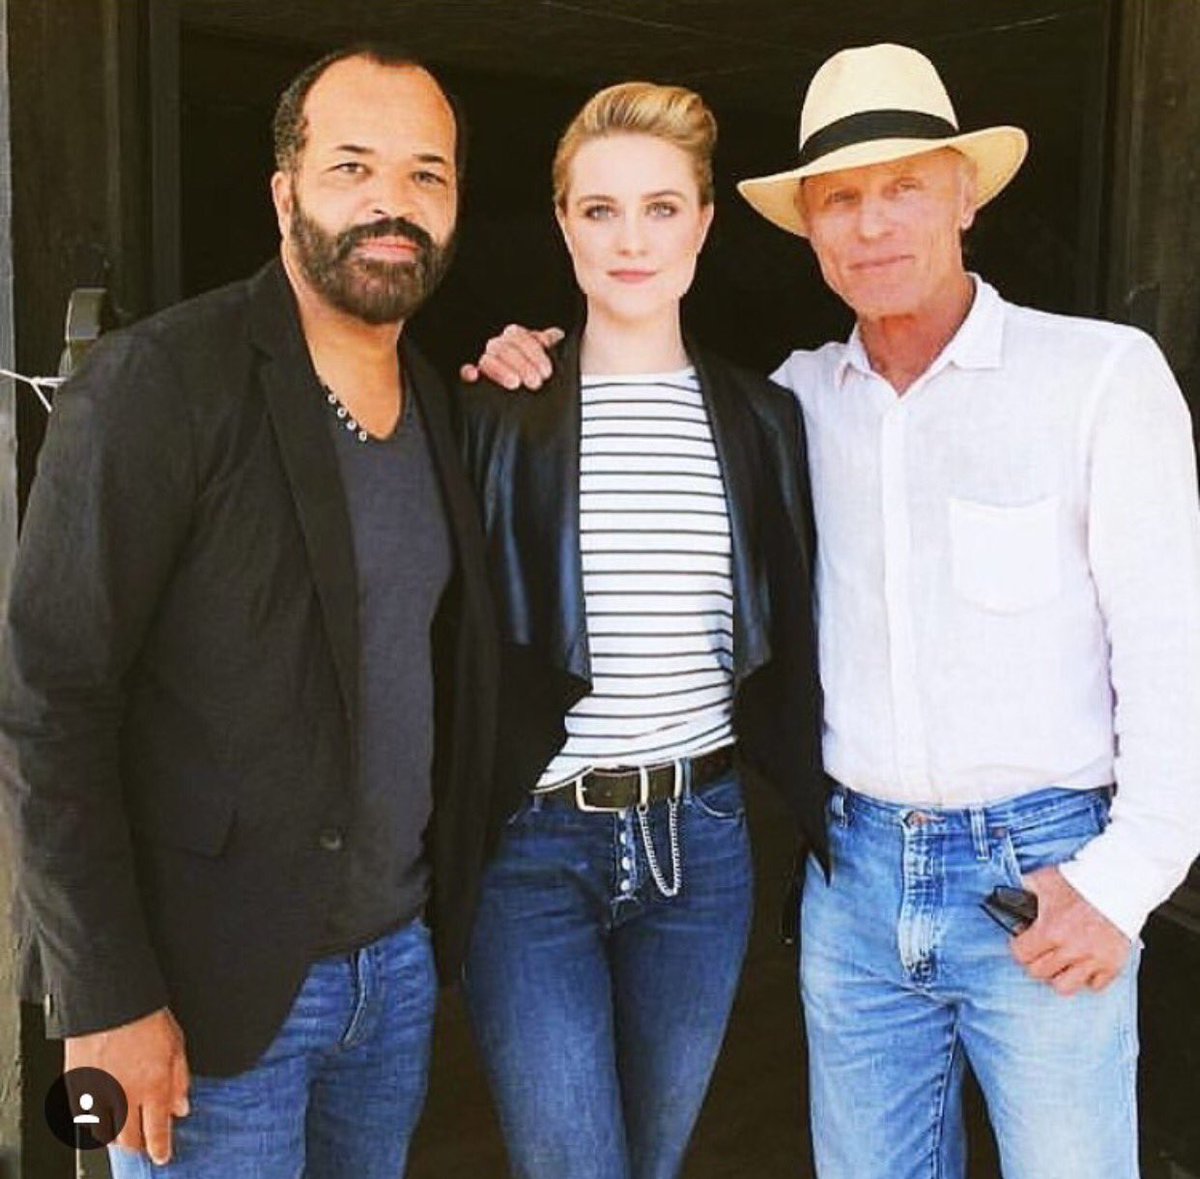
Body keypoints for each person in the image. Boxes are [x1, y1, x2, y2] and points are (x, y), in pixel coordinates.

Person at [466, 42, 1200, 1179]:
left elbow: (1172, 646)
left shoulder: (1096, 377)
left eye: (906, 185)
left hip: (1043, 872)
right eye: (841, 198)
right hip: (853, 881)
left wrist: (1129, 878)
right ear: (807, 226)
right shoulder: (797, 402)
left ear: (965, 195)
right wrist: (514, 363)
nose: (874, 223)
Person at [0, 44, 497, 1178]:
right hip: (205, 995)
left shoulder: (436, 405)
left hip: (395, 975)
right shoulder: (160, 382)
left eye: (426, 174)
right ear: (285, 194)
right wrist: (105, 993)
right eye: (352, 166)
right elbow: (49, 700)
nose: (392, 203)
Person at [458, 82, 824, 1179]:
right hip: (535, 846)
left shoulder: (766, 418)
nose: (631, 240)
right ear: (563, 224)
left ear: (703, 224)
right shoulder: (496, 409)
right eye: (600, 209)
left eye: (661, 208)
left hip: (700, 845)